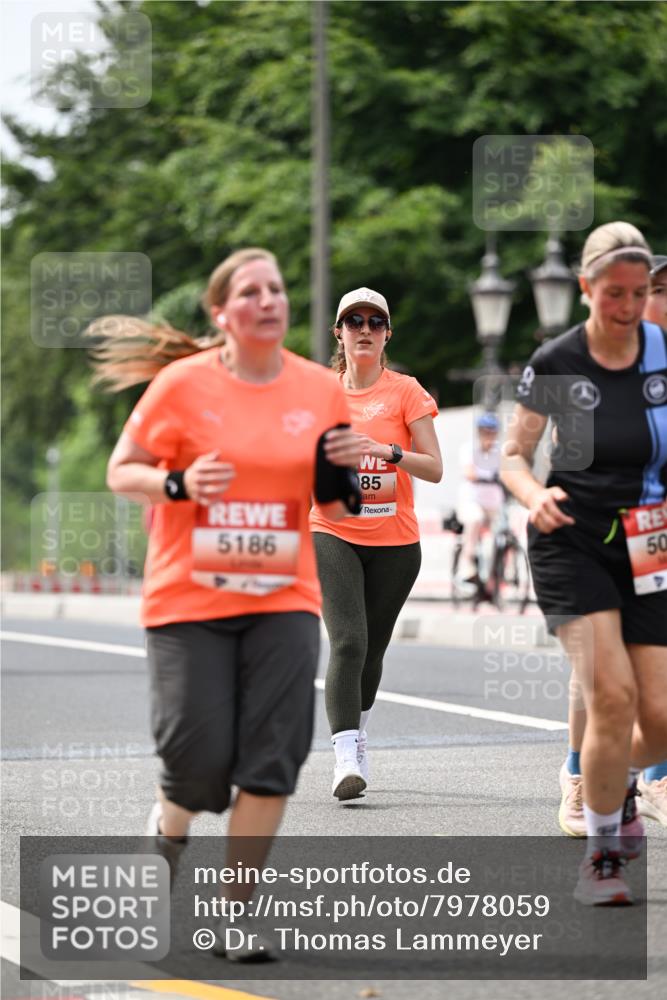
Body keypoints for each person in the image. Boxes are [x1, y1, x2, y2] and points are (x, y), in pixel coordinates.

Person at [91, 248, 361, 958]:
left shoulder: (318, 388)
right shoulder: (181, 386)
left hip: (284, 595)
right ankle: (168, 832)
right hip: (189, 596)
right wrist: (179, 484)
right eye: (250, 291)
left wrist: (355, 478)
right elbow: (123, 471)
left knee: (272, 759)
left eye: (276, 288)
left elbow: (333, 494)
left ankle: (233, 913)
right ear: (222, 314)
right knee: (199, 758)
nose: (268, 299)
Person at [500, 222, 667, 905]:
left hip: (648, 540)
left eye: (639, 293)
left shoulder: (661, 350)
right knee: (610, 697)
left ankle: (605, 780)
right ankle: (602, 855)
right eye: (613, 294)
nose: (628, 308)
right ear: (584, 288)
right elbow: (511, 455)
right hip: (570, 536)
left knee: (657, 717)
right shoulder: (557, 361)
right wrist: (533, 495)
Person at [309, 287, 442, 800]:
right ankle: (345, 756)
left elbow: (433, 468)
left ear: (387, 334)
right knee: (348, 641)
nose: (364, 330)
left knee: (373, 651)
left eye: (375, 322)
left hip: (395, 543)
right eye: (354, 321)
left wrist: (388, 452)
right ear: (339, 333)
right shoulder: (318, 393)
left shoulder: (406, 391)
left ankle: (356, 732)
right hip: (331, 529)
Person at [558, 253, 667, 836]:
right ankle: (581, 773)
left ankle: (653, 776)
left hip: (656, 535)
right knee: (598, 670)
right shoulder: (588, 364)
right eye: (655, 291)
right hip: (596, 536)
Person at [456, 411, 504, 586]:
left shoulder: (500, 451)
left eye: (492, 431)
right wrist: (484, 477)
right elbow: (469, 472)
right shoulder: (469, 449)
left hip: (493, 504)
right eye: (485, 431)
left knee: (499, 536)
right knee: (475, 520)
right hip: (472, 501)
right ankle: (465, 567)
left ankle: (493, 577)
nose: (488, 435)